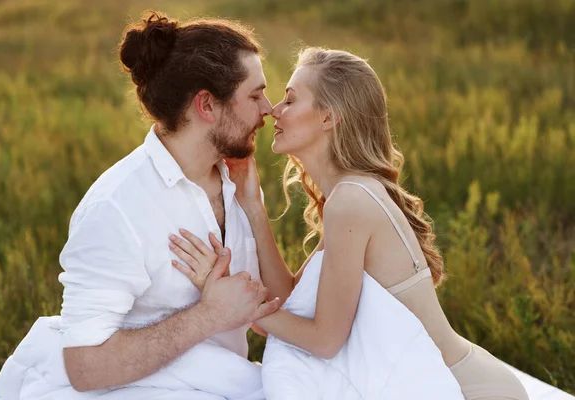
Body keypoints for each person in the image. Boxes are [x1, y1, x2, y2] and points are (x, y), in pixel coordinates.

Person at [170, 48, 530, 399]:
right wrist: (253, 206)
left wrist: (232, 306)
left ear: (329, 117)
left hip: (466, 390)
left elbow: (324, 340)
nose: (275, 111)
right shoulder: (348, 195)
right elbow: (293, 300)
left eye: (291, 100)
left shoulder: (351, 201)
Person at [0, 11, 279, 400]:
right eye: (255, 94)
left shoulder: (240, 182)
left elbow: (269, 307)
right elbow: (84, 366)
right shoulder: (117, 207)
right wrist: (210, 314)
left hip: (223, 383)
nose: (269, 108)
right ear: (207, 106)